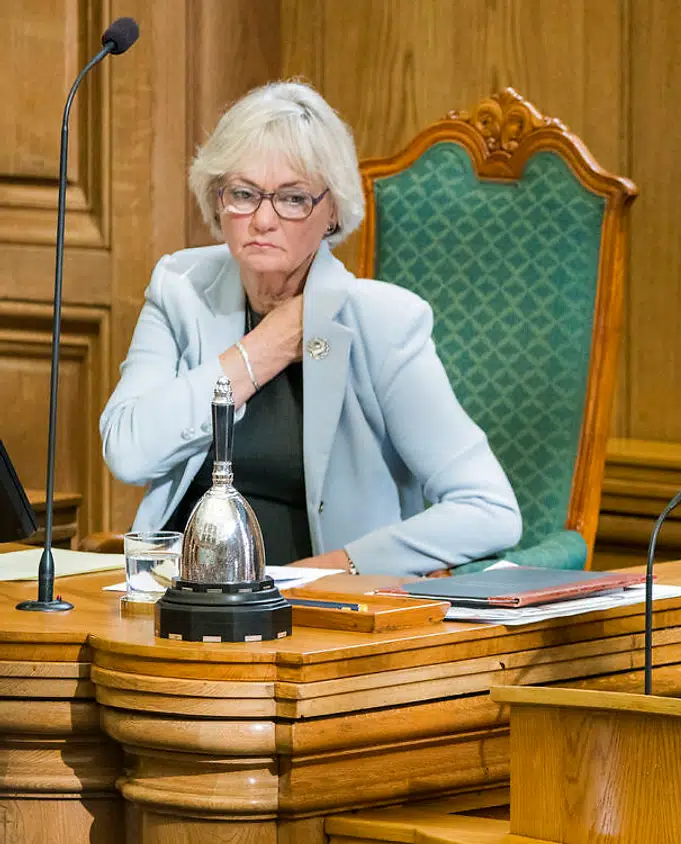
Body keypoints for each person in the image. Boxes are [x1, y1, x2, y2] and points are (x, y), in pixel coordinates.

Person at [100, 81, 521, 576]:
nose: (262, 219)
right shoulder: (180, 287)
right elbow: (128, 453)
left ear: (331, 212)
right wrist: (264, 349)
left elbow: (489, 509)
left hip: (319, 617)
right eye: (243, 193)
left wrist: (339, 569)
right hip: (175, 595)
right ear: (217, 200)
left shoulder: (382, 323)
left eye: (293, 198)